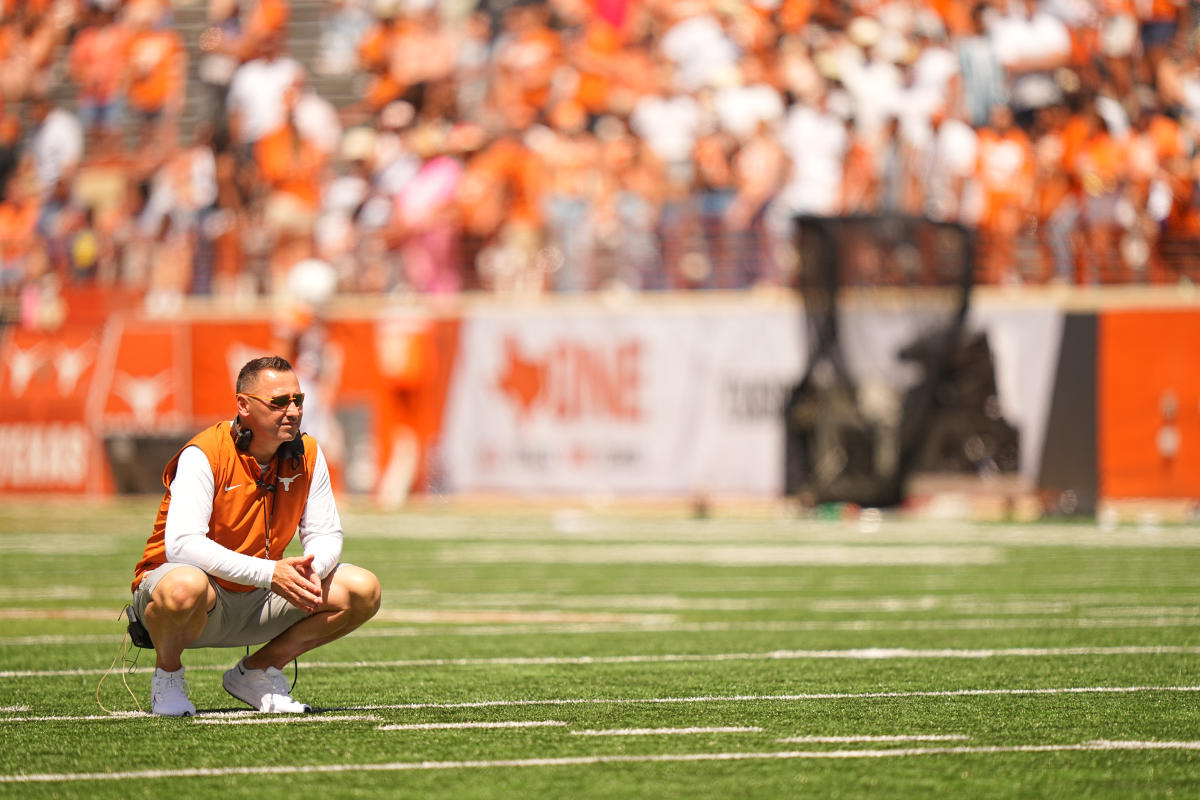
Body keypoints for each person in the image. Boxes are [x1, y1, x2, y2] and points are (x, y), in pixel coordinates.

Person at [129, 355, 381, 716]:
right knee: (185, 585)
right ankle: (168, 674)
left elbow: (325, 533)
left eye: (298, 400)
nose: (292, 411)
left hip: (259, 591)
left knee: (362, 589)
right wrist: (271, 573)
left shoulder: (307, 452)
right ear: (244, 406)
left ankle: (258, 671)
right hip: (194, 597)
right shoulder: (205, 453)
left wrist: (312, 568)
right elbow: (182, 545)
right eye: (278, 402)